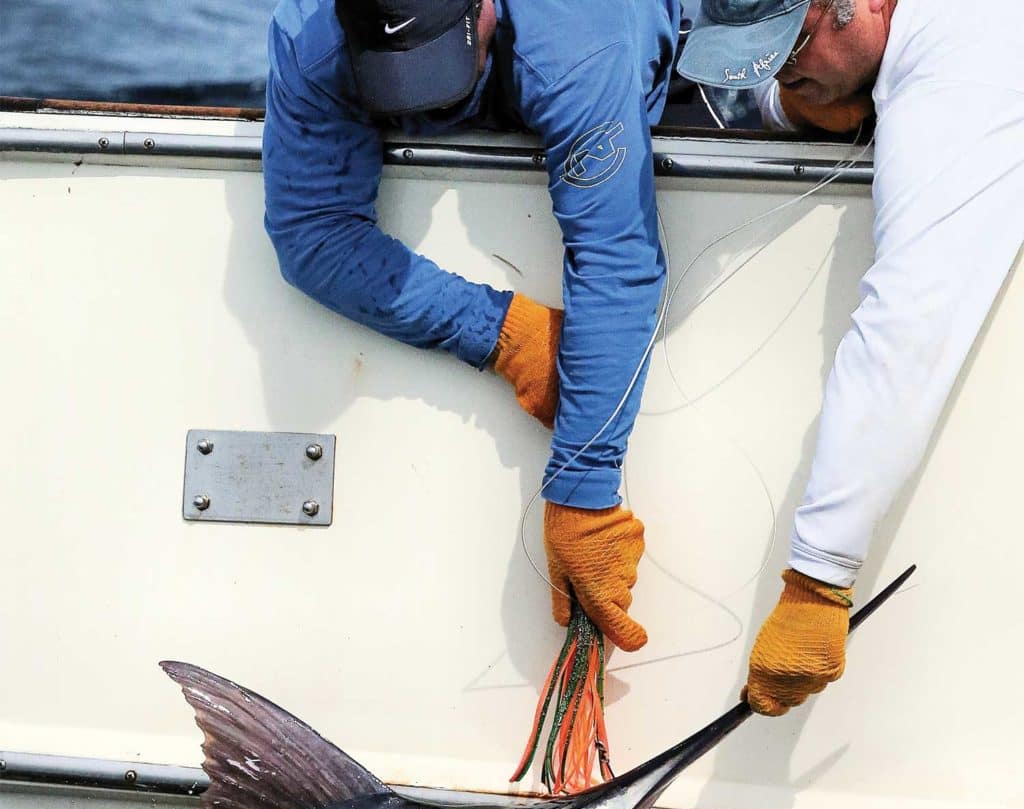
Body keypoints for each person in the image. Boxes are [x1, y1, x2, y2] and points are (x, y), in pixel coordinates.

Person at [262, 0, 688, 654]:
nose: (420, 107)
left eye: (435, 66)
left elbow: (617, 257)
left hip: (598, 51)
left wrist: (582, 492)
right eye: (393, 76)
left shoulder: (583, 36)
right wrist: (503, 333)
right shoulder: (312, 29)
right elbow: (309, 230)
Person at [677, 0, 1024, 714]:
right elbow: (804, 80)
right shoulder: (880, 36)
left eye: (789, 47)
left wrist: (819, 575)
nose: (780, 69)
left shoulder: (963, 65)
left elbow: (909, 322)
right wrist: (792, 103)